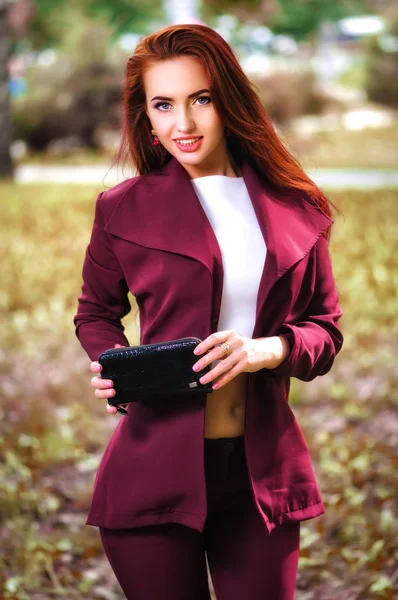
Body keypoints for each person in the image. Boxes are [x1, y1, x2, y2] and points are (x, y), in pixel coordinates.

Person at [73, 23, 344, 600]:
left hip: (261, 476)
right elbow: (95, 312)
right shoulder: (120, 209)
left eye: (201, 99)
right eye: (163, 105)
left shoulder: (298, 204)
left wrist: (264, 350)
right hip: (152, 474)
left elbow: (326, 327)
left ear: (230, 99)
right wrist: (117, 365)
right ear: (145, 116)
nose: (184, 124)